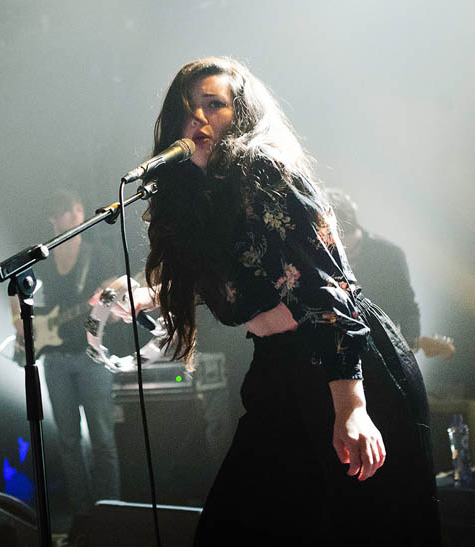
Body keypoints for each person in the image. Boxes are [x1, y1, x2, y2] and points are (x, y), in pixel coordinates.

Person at [111, 57, 440, 545]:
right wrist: (152, 292)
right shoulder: (205, 198)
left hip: (342, 364)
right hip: (280, 369)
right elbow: (246, 283)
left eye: (213, 105)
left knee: (365, 527)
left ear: (240, 114)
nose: (197, 120)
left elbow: (329, 289)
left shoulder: (264, 170)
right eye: (186, 110)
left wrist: (350, 407)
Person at [10, 189, 121, 528]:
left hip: (91, 355)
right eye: (64, 213)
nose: (72, 218)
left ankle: (111, 513)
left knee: (102, 438)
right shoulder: (40, 259)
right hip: (55, 359)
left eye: (75, 211)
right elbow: (16, 288)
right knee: (69, 441)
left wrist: (102, 314)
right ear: (53, 219)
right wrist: (18, 322)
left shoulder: (99, 255)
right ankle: (82, 515)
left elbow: (113, 307)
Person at [326, 188, 454, 359]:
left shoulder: (390, 255)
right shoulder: (323, 255)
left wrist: (410, 342)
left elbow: (407, 305)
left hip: (379, 355)